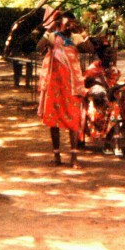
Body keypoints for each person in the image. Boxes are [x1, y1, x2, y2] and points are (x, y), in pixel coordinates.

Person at [37, 11, 90, 168]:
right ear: (60, 21)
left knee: (73, 119)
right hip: (55, 84)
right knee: (53, 119)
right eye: (68, 21)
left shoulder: (75, 37)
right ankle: (57, 155)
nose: (70, 24)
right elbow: (39, 46)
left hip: (72, 84)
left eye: (72, 21)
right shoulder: (53, 36)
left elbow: (90, 49)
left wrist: (81, 32)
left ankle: (74, 157)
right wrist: (50, 29)